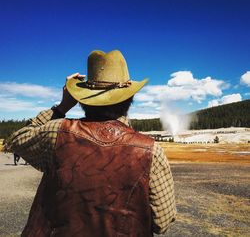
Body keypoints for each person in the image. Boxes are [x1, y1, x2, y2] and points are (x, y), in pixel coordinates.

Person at [6, 50, 176, 236]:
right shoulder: (150, 151)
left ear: (82, 99)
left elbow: (16, 140)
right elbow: (162, 222)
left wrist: (62, 106)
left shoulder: (57, 132)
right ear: (130, 99)